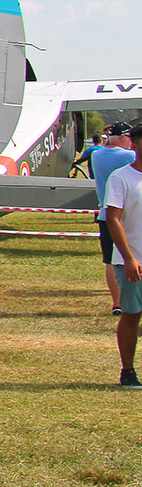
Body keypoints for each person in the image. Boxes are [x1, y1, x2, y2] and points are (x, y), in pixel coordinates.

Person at [101, 152, 142, 389]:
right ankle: (127, 371)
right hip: (132, 261)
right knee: (132, 315)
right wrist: (129, 258)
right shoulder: (121, 177)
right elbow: (113, 219)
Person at [91, 123, 137, 316]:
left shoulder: (96, 155)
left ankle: (116, 303)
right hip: (128, 215)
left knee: (110, 261)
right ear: (124, 138)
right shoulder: (129, 156)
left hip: (104, 212)